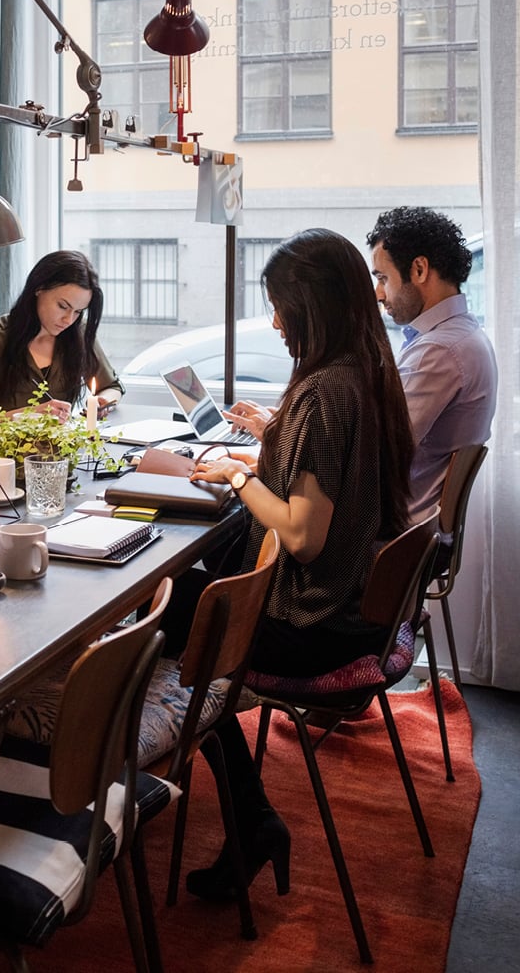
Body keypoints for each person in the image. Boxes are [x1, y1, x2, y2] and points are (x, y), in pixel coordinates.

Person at [170, 228, 416, 902]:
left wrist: (235, 477)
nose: (274, 321)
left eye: (280, 305)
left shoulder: (322, 393)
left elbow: (304, 539)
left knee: (169, 611)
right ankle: (237, 811)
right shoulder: (366, 372)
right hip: (355, 610)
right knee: (195, 599)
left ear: (313, 306)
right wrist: (273, 441)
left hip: (314, 622)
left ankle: (228, 811)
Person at [366, 207, 497, 519]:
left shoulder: (439, 350)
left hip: (394, 540)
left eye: (383, 278)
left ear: (420, 269)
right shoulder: (463, 333)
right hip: (416, 534)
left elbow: (376, 450)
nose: (378, 294)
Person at [0, 250, 123, 440]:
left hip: (59, 458)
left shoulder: (78, 333)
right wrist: (30, 416)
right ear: (39, 288)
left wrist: (102, 402)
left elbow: (112, 387)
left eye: (78, 312)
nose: (68, 319)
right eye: (62, 306)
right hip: (2, 461)